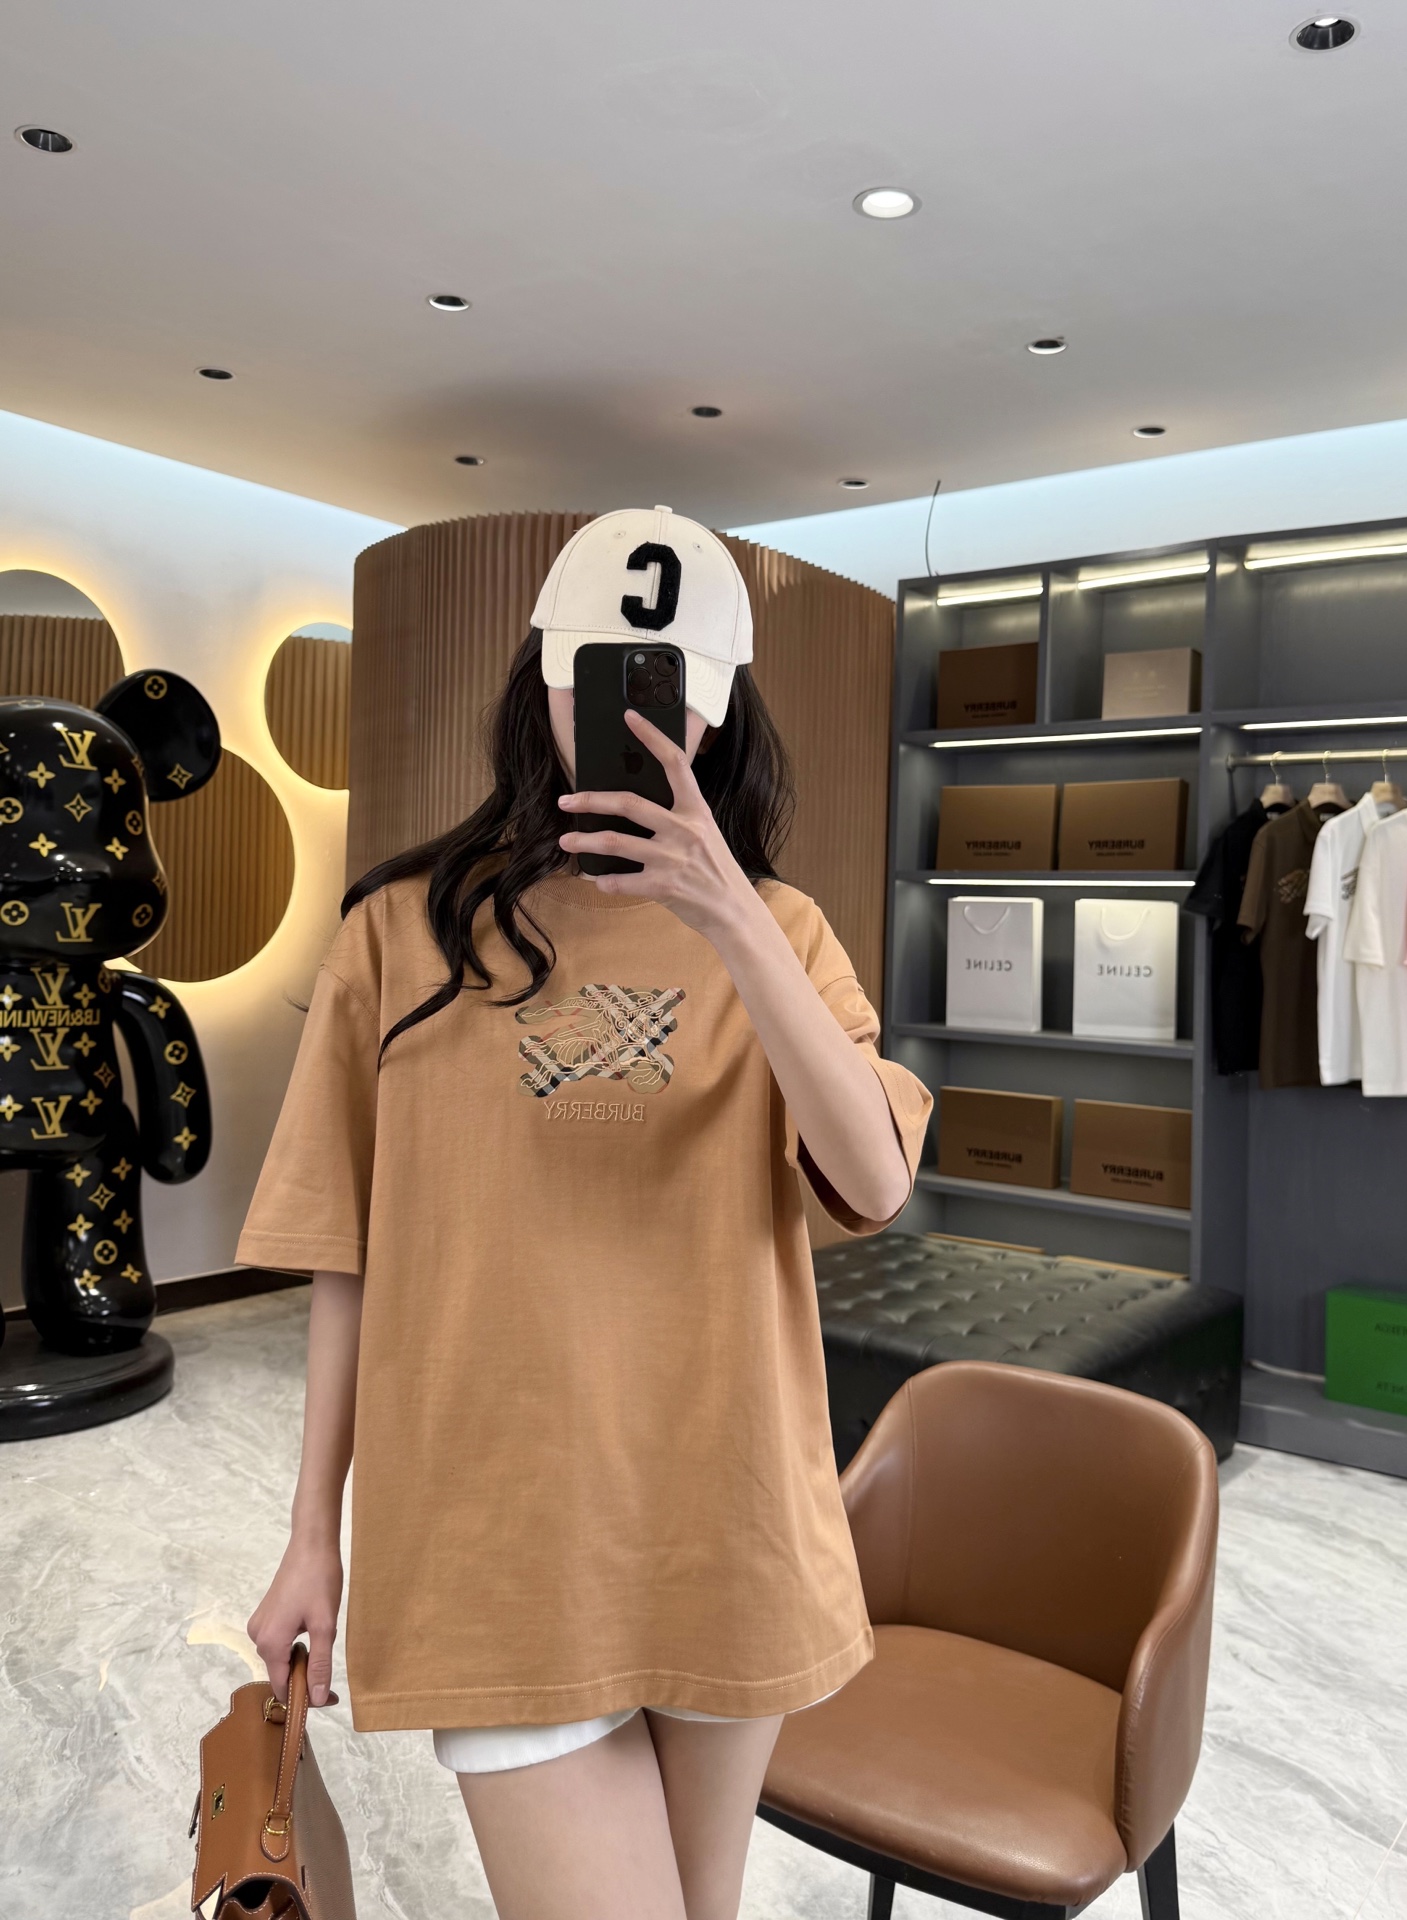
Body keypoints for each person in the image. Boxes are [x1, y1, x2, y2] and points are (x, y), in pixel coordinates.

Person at [242, 506, 931, 1920]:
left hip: (728, 1524)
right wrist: (314, 1532)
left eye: (668, 688)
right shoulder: (400, 932)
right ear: (541, 678)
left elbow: (873, 1180)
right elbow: (343, 1256)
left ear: (720, 708)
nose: (628, 720)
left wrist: (730, 915)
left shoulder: (785, 934)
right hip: (497, 1535)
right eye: (596, 678)